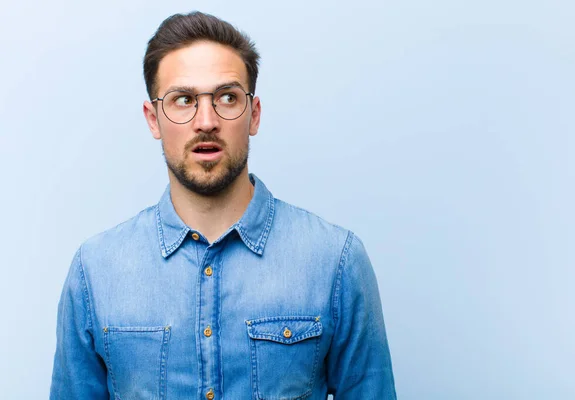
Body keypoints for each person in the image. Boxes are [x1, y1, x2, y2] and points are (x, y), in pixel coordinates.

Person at [50, 11, 396, 399]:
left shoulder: (336, 260)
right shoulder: (95, 271)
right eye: (183, 100)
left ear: (254, 114)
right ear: (153, 119)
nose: (206, 121)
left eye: (227, 97)